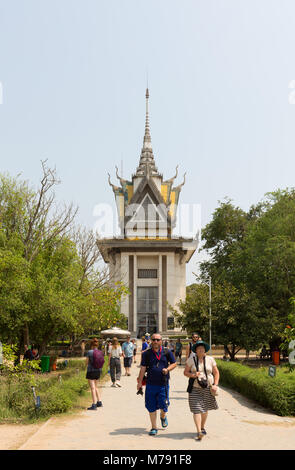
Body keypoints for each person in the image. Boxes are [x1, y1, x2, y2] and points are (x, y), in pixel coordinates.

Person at [137, 332, 177, 436]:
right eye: (153, 339)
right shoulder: (146, 353)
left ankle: (163, 417)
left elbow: (174, 363)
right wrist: (139, 383)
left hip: (163, 384)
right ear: (151, 340)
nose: (155, 341)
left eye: (157, 340)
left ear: (161, 341)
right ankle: (154, 427)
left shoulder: (167, 352)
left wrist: (167, 369)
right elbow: (143, 368)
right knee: (151, 406)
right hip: (150, 384)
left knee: (163, 406)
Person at [184, 340, 219, 441]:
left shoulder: (210, 359)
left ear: (205, 350)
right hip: (195, 388)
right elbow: (185, 372)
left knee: (205, 409)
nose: (200, 350)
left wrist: (215, 385)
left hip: (208, 388)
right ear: (196, 350)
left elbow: (216, 373)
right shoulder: (191, 359)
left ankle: (202, 427)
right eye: (198, 348)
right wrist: (193, 375)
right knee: (196, 409)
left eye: (202, 348)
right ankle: (199, 431)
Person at [85, 338, 103, 410]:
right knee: (96, 387)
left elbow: (86, 362)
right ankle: (99, 401)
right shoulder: (100, 352)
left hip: (91, 371)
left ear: (91, 345)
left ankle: (94, 404)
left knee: (92, 388)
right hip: (98, 371)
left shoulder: (89, 352)